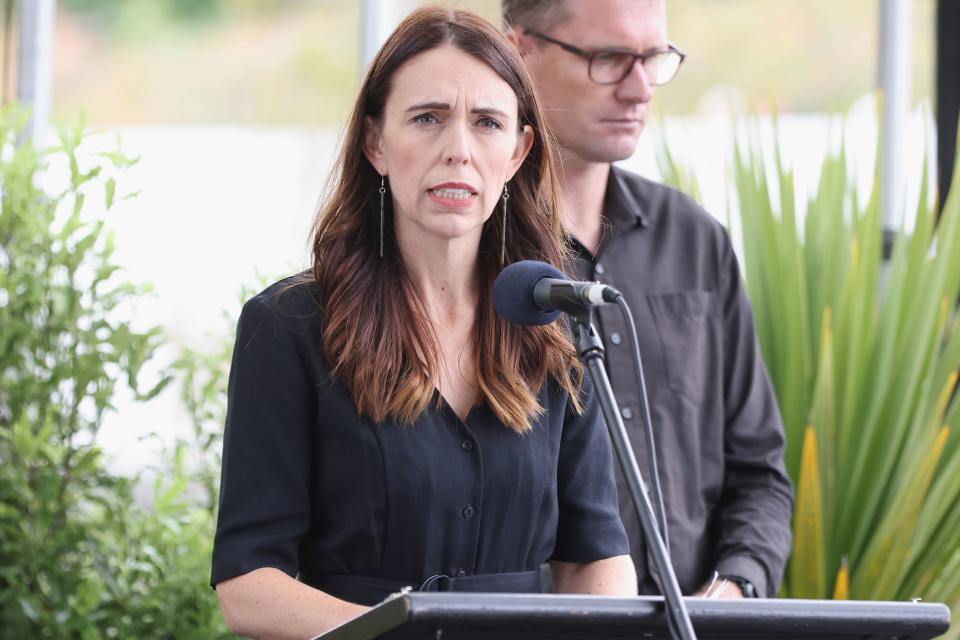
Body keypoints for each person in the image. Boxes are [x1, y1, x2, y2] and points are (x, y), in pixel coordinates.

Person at [211, 7, 637, 639]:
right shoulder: (289, 327)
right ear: (376, 143)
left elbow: (597, 558)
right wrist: (403, 633)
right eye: (428, 118)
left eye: (487, 123)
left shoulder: (556, 323)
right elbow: (249, 587)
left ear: (519, 150)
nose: (458, 150)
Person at [503, 0, 794, 599]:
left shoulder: (695, 240)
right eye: (609, 58)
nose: (639, 89)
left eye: (653, 58)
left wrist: (738, 586)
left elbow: (759, 470)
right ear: (520, 50)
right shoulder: (472, 252)